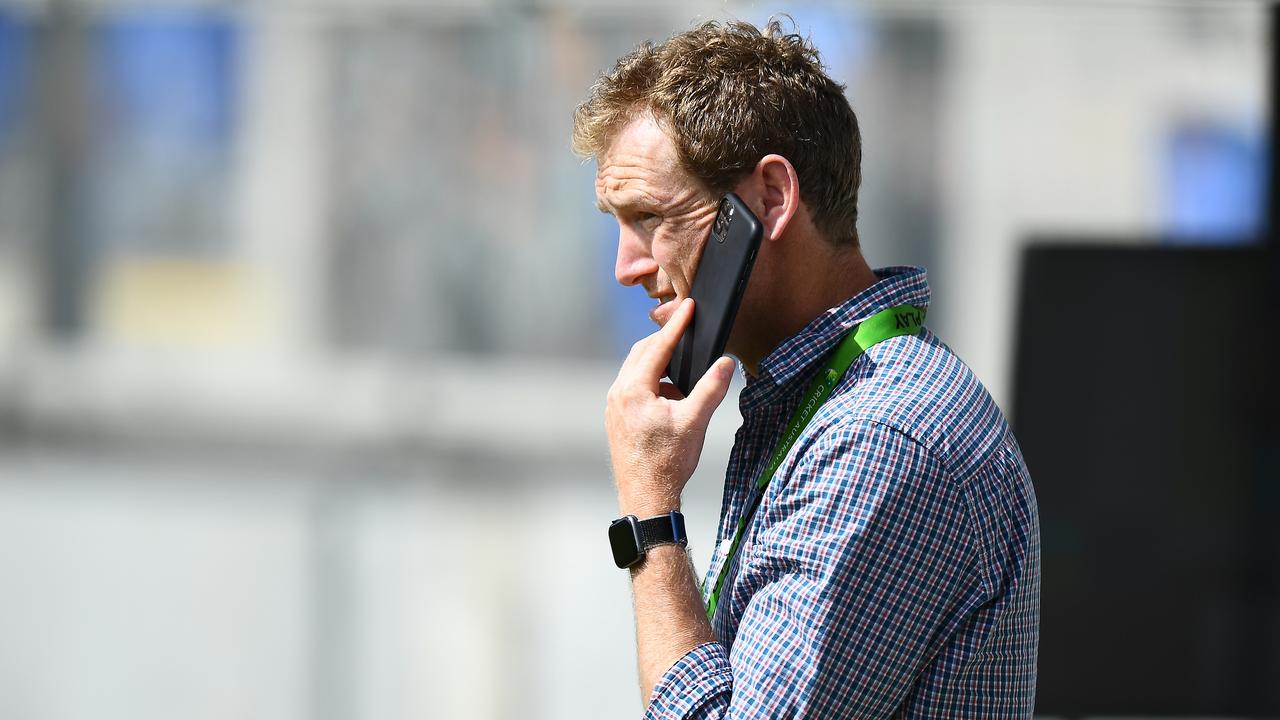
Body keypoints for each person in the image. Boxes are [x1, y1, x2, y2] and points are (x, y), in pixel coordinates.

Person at [574, 19, 1040, 719]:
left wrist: (650, 511)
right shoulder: (831, 412)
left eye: (650, 217)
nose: (626, 268)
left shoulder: (880, 439)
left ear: (769, 199)